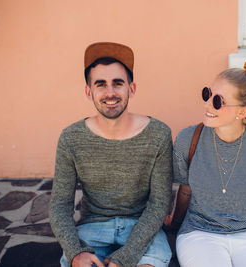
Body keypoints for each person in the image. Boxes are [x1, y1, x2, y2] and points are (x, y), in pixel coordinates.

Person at [49, 42, 173, 267]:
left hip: (141, 227)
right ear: (89, 92)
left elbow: (159, 203)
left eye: (118, 83)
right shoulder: (71, 138)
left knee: (152, 263)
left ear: (131, 89)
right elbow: (59, 205)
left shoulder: (158, 134)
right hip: (93, 227)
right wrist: (76, 252)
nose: (110, 93)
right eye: (100, 84)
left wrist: (124, 259)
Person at [165, 59, 246, 267]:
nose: (207, 104)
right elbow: (185, 191)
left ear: (242, 112)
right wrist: (175, 224)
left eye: (218, 101)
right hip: (200, 233)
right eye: (207, 94)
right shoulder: (188, 139)